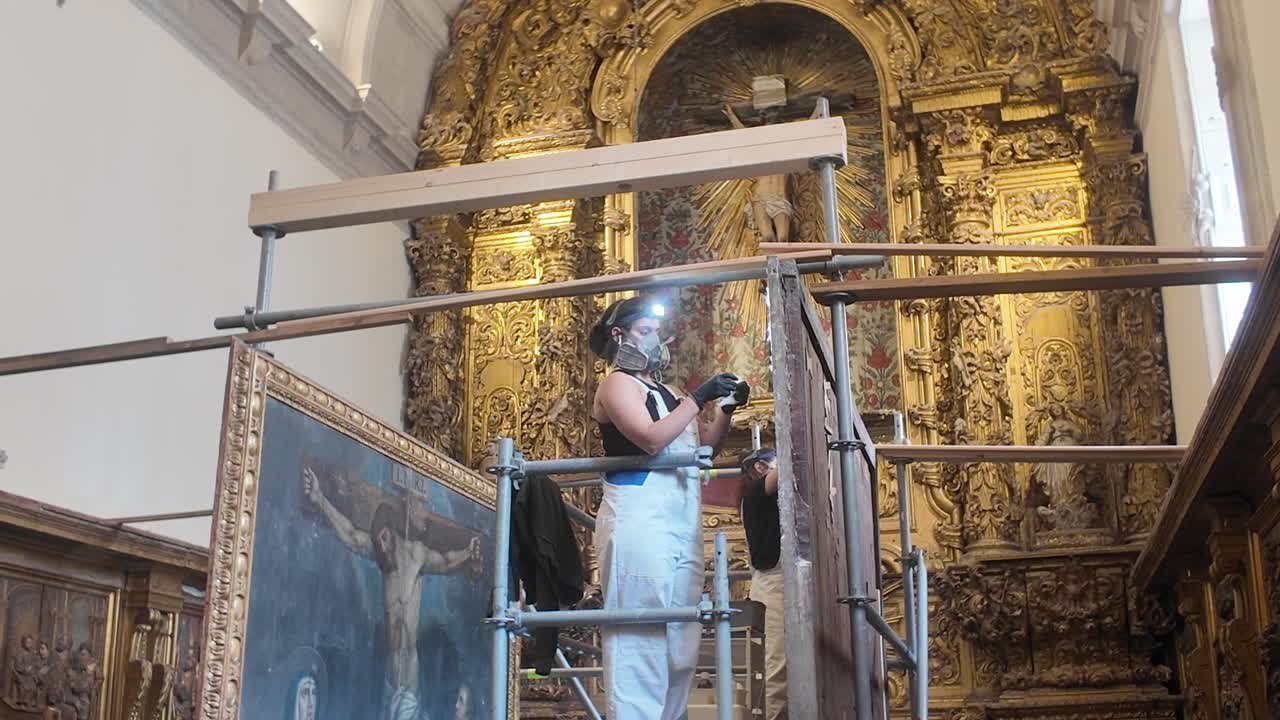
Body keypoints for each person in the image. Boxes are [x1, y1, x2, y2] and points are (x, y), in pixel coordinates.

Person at [588, 296, 748, 720]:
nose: (656, 339)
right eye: (645, 330)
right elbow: (651, 439)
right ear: (619, 336)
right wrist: (697, 397)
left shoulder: (670, 392)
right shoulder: (616, 384)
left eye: (656, 331)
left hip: (680, 517)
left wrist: (725, 408)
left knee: (681, 639)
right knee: (640, 634)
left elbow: (704, 448)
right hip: (640, 515)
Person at [302, 469, 483, 720]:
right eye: (420, 506)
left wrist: (467, 552)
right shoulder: (382, 551)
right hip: (388, 665)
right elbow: (351, 535)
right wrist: (320, 499)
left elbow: (446, 562)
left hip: (409, 667)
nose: (424, 514)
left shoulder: (417, 554)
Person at [739, 447, 787, 720]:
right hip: (773, 583)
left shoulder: (768, 497)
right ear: (759, 468)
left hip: (782, 581)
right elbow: (787, 472)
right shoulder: (755, 493)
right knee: (776, 665)